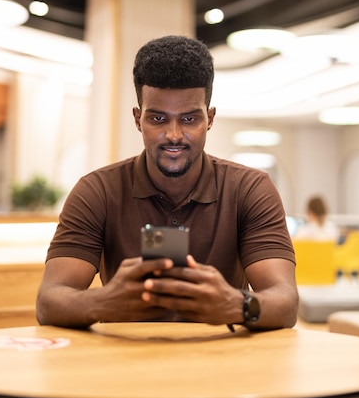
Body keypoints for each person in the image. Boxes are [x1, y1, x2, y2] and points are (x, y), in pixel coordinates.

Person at [36, 35, 298, 330]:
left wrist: (236, 305)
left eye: (189, 119)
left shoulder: (250, 189)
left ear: (210, 118)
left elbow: (286, 303)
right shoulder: (97, 191)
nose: (174, 135)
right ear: (138, 119)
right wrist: (104, 301)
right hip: (121, 364)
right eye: (158, 119)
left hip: (224, 363)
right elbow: (49, 302)